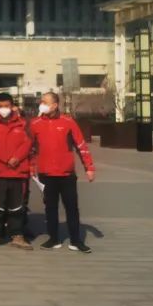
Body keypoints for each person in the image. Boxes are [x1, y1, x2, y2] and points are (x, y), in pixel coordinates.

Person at [30, 91, 96, 253]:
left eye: (45, 102)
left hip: (66, 174)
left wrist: (89, 167)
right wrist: (31, 168)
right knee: (50, 208)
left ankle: (76, 241)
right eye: (41, 102)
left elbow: (81, 145)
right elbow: (30, 148)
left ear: (55, 105)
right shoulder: (35, 123)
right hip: (46, 175)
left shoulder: (68, 122)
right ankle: (53, 239)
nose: (42, 105)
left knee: (72, 208)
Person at [0, 94, 33, 250]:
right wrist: (6, 158)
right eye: (0, 106)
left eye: (6, 106)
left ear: (12, 106)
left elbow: (28, 142)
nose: (4, 109)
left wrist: (17, 157)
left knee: (18, 206)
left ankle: (17, 235)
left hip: (18, 171)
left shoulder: (24, 123)